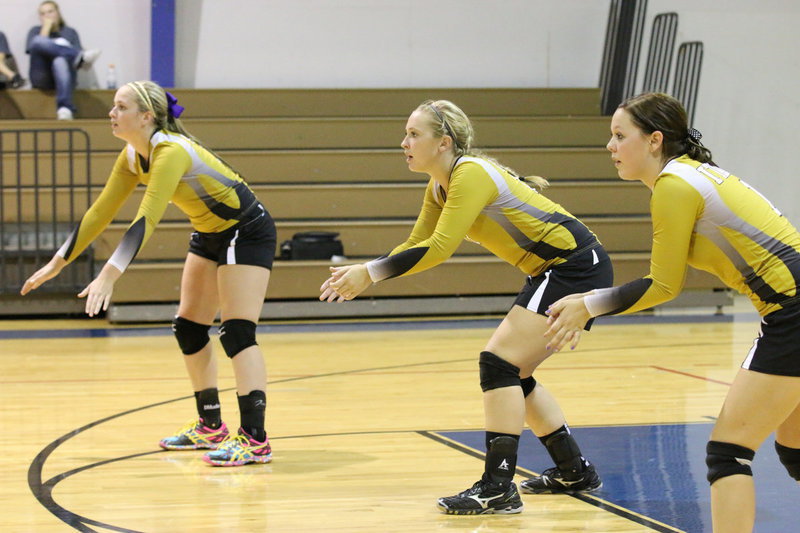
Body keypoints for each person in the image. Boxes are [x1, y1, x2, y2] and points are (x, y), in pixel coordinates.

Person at [319, 100, 614, 515]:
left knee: (499, 364)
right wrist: (368, 272)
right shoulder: (440, 185)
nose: (404, 142)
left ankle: (497, 486)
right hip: (557, 270)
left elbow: (439, 250)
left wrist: (370, 273)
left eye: (413, 134)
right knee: (515, 372)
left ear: (443, 142)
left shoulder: (470, 174)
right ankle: (574, 470)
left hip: (574, 268)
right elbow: (417, 245)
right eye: (405, 134)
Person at [544, 92, 800, 533]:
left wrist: (588, 304)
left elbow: (663, 285)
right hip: (791, 308)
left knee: (728, 452)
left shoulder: (675, 185)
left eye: (620, 136)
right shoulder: (691, 176)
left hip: (792, 312)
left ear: (655, 140)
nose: (611, 146)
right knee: (795, 445)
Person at [20, 80, 277, 468]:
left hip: (246, 230)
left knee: (238, 332)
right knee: (189, 327)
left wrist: (109, 274)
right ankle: (210, 425)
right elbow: (99, 213)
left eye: (120, 106)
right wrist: (56, 263)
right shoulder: (132, 155)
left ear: (146, 117)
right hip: (209, 232)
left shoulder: (170, 151)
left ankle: (255, 439)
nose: (112, 112)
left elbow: (147, 218)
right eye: (113, 106)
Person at [25, 1, 101, 119]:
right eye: (42, 13)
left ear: (58, 12)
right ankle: (79, 57)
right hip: (42, 76)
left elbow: (73, 66)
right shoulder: (35, 30)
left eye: (50, 11)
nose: (47, 15)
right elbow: (33, 50)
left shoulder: (69, 32)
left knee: (59, 60)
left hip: (65, 76)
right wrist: (46, 27)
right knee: (37, 41)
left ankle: (64, 108)